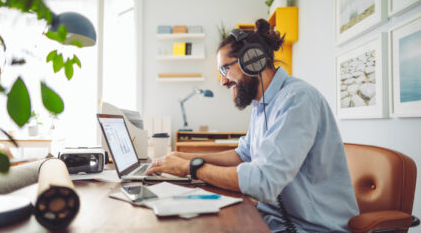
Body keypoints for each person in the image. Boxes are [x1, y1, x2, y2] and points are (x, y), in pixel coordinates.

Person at [146, 19, 359, 232]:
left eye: (224, 70)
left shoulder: (298, 99)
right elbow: (243, 154)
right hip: (271, 219)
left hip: (311, 228)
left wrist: (191, 168)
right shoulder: (261, 104)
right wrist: (186, 158)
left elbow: (263, 182)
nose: (222, 82)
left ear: (252, 60)